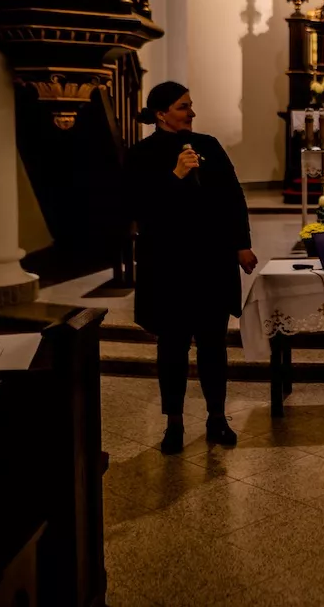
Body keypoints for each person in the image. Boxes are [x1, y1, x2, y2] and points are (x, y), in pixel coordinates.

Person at [125, 82, 257, 454]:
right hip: (168, 264)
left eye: (191, 105)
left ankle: (217, 418)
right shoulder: (141, 155)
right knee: (173, 347)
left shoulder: (208, 145)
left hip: (212, 260)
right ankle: (174, 423)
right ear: (160, 113)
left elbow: (232, 196)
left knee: (213, 345)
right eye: (183, 107)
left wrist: (241, 244)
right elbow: (139, 208)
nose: (191, 113)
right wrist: (175, 176)